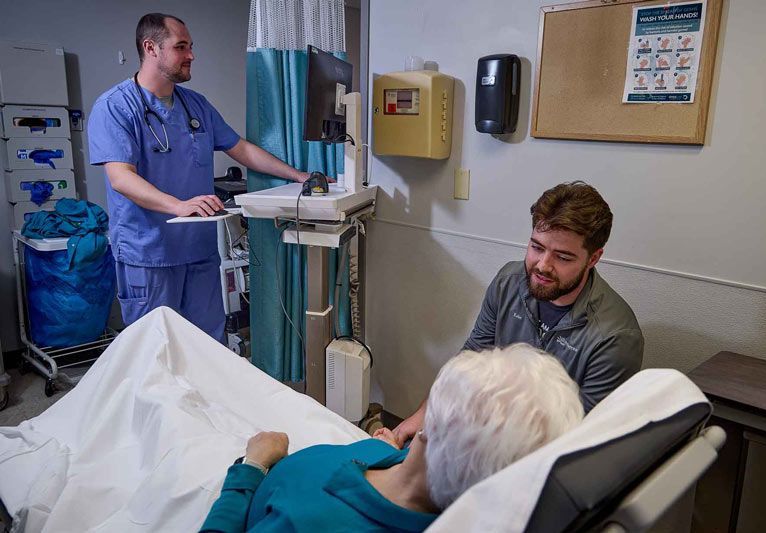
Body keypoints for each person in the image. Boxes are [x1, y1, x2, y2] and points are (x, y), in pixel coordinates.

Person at [88, 13, 312, 342]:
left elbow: (242, 149)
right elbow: (121, 178)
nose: (191, 55)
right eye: (181, 47)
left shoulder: (195, 106)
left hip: (198, 250)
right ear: (151, 48)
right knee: (155, 354)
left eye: (191, 46)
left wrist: (298, 175)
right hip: (149, 254)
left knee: (207, 345)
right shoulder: (115, 107)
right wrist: (178, 206)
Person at [200, 344, 584, 532]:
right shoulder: (430, 477)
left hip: (249, 480)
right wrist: (383, 452)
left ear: (428, 430)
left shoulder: (305, 523)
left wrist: (250, 468)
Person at [391, 181, 644, 445]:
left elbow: (582, 439)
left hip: (546, 454)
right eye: (536, 247)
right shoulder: (508, 282)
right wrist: (424, 416)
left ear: (593, 258)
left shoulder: (616, 336)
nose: (543, 266)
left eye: (563, 258)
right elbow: (470, 360)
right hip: (489, 431)